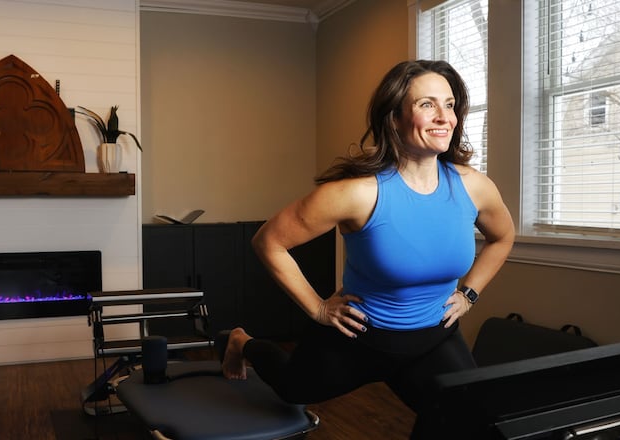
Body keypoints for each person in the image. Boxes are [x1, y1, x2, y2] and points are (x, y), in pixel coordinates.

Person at [217, 59, 515, 438]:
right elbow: (269, 242)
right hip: (359, 335)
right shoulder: (356, 193)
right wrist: (319, 308)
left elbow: (502, 237)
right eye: (427, 104)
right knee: (294, 389)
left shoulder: (474, 187)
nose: (444, 117)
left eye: (450, 104)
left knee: (467, 417)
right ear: (393, 118)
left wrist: (469, 293)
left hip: (433, 337)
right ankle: (241, 341)